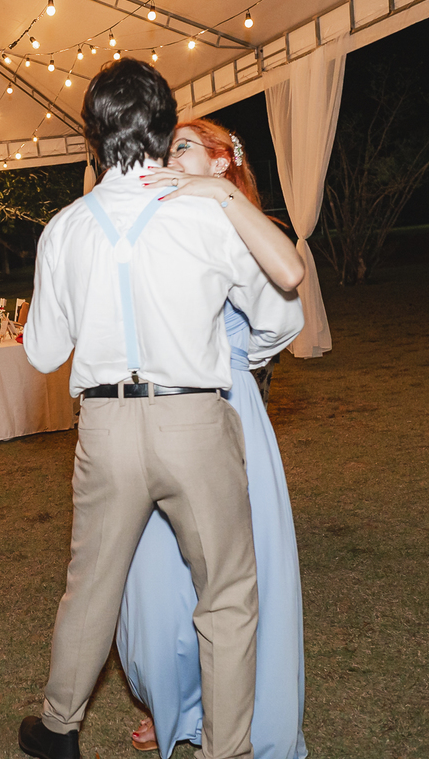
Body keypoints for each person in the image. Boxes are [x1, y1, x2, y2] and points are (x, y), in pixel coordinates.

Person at [19, 59, 304, 759]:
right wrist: (232, 359)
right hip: (194, 419)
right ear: (162, 126)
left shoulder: (64, 229)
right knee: (228, 594)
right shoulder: (204, 213)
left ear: (93, 135)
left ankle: (59, 728)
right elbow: (278, 319)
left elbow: (42, 351)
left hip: (107, 427)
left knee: (91, 584)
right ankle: (226, 749)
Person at [119, 120, 308, 759]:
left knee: (232, 577)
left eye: (184, 147)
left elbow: (284, 302)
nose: (168, 158)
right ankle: (178, 707)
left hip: (227, 412)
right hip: (156, 417)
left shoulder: (232, 218)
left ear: (223, 164)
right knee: (155, 578)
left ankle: (236, 722)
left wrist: (229, 359)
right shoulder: (156, 225)